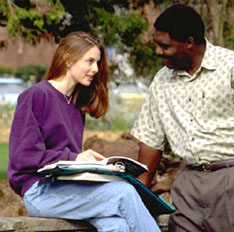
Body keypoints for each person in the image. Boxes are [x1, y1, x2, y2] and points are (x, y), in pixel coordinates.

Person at [131, 4, 234, 232]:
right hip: (189, 184)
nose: (158, 52)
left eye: (164, 46)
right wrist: (138, 195)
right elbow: (150, 139)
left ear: (188, 42)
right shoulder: (162, 81)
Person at [8, 31, 161, 232]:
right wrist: (75, 157)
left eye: (97, 63)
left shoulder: (76, 105)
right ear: (67, 59)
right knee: (123, 193)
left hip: (69, 189)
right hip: (40, 192)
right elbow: (23, 156)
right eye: (89, 61)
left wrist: (98, 168)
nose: (95, 69)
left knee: (117, 225)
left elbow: (66, 162)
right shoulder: (37, 95)